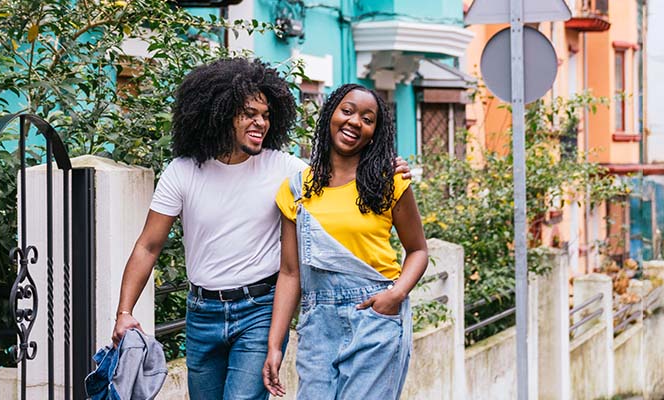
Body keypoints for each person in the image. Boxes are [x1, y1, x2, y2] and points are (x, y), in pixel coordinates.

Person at [110, 58, 410, 400]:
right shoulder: (182, 172)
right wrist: (124, 312)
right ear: (221, 112)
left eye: (266, 115)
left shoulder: (287, 170)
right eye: (250, 114)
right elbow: (148, 247)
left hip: (259, 309)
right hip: (201, 313)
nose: (261, 123)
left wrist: (386, 164)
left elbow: (340, 175)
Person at [262, 83, 428, 400]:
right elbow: (289, 273)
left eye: (368, 119)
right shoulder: (296, 190)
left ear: (374, 132)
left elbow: (418, 250)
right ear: (330, 115)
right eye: (348, 111)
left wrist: (395, 295)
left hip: (375, 319)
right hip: (317, 327)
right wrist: (275, 344)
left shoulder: (389, 181)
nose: (355, 122)